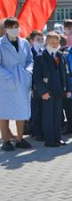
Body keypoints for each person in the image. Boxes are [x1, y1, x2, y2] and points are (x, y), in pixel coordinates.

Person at [0, 17, 34, 151]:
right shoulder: (1, 44)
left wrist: (28, 71)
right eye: (11, 27)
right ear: (5, 29)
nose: (14, 30)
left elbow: (30, 59)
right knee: (4, 112)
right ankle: (6, 141)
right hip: (5, 82)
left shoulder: (24, 42)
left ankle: (20, 139)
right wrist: (7, 75)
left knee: (22, 111)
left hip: (22, 81)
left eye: (16, 27)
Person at [33, 32, 71, 147]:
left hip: (59, 91)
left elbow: (66, 73)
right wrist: (43, 92)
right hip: (47, 92)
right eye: (52, 42)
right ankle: (49, 140)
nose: (55, 44)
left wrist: (68, 89)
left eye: (57, 42)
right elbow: (37, 77)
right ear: (47, 42)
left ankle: (57, 138)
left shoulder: (60, 55)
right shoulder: (40, 57)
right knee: (48, 116)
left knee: (58, 116)